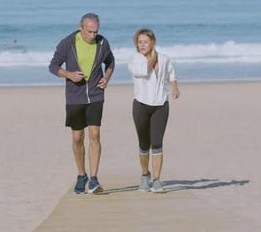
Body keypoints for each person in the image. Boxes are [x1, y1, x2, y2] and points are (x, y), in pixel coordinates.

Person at [49, 13, 115, 194]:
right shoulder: (68, 43)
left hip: (95, 96)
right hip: (74, 97)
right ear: (81, 27)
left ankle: (94, 179)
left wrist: (106, 78)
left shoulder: (102, 43)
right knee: (77, 138)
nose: (93, 35)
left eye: (95, 32)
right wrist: (69, 75)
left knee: (95, 135)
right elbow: (53, 66)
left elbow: (111, 62)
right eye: (89, 32)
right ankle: (81, 175)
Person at [127, 28, 180, 193]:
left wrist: (175, 88)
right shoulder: (134, 59)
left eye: (145, 42)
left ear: (152, 42)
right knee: (144, 144)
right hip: (141, 105)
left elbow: (171, 73)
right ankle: (145, 175)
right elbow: (143, 71)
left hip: (161, 105)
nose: (141, 45)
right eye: (139, 42)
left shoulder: (164, 58)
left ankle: (157, 180)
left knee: (157, 143)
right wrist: (153, 57)